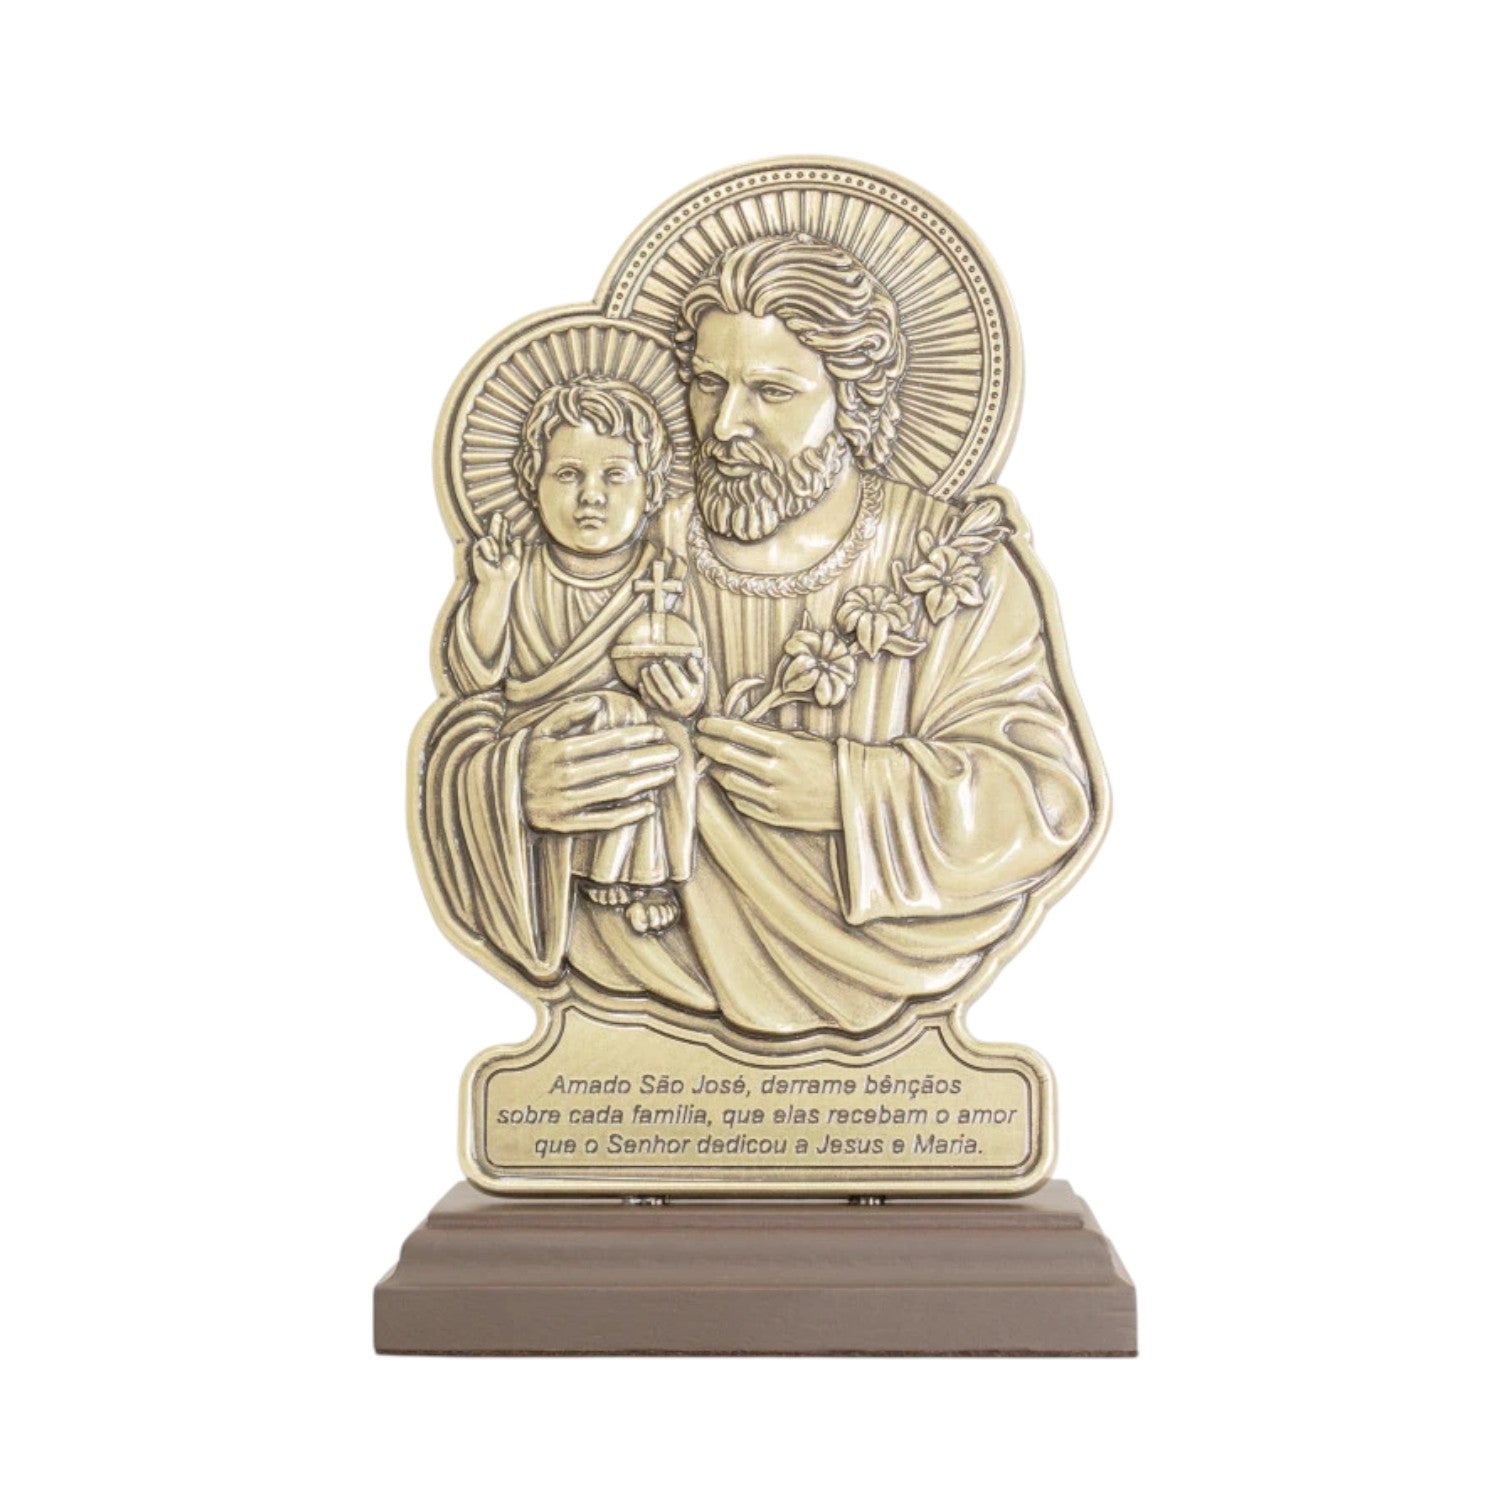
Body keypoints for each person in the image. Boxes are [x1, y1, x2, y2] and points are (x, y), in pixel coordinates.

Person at [420, 234, 1097, 1036]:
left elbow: (1046, 800)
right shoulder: (627, 551)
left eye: (772, 391)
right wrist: (519, 789)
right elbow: (479, 714)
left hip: (882, 970)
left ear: (854, 400)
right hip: (637, 972)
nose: (725, 424)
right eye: (708, 384)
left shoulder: (954, 566)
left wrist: (849, 792)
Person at [434, 378, 701, 937]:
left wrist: (686, 695)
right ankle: (583, 865)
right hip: (545, 734)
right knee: (606, 719)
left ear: (651, 488)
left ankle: (644, 877)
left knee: (660, 739)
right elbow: (475, 677)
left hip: (633, 738)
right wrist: (494, 589)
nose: (591, 495)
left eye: (615, 475)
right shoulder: (520, 572)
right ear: (533, 484)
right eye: (567, 474)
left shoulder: (666, 575)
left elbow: (695, 670)